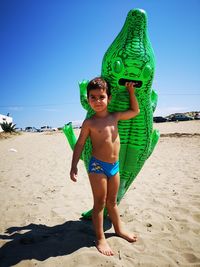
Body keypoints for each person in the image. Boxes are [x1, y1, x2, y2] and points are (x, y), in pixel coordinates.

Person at [70, 77, 140, 256]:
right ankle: (100, 238)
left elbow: (135, 111)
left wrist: (131, 92)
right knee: (100, 203)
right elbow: (79, 144)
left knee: (112, 202)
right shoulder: (89, 123)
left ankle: (119, 229)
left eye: (101, 97)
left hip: (114, 166)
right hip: (98, 166)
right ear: (88, 100)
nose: (97, 101)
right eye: (92, 97)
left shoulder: (114, 116)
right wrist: (74, 165)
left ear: (108, 97)